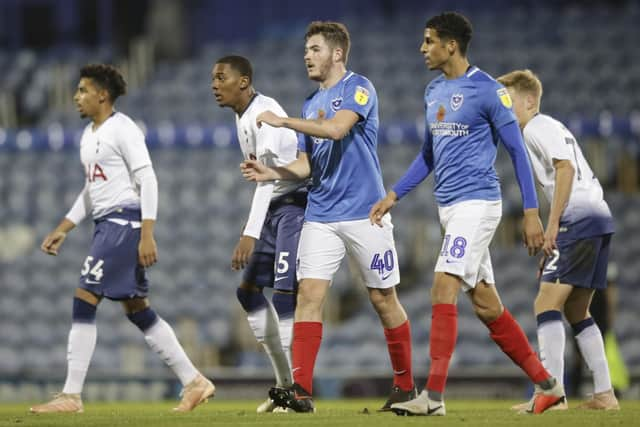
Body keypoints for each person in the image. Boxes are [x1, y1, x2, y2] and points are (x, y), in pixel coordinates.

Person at [368, 12, 565, 416]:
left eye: (429, 41)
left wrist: (531, 212)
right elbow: (428, 156)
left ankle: (434, 399)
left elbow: (516, 153)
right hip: (449, 208)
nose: (423, 49)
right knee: (487, 305)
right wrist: (394, 194)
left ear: (450, 45)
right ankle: (548, 387)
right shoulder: (433, 92)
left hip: (479, 204)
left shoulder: (491, 92)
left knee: (443, 286)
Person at [241, 21, 415, 413]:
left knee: (383, 298)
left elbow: (337, 131)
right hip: (320, 214)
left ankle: (405, 386)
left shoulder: (359, 87)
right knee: (309, 296)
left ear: (337, 53)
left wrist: (283, 122)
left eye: (315, 49)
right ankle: (301, 389)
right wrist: (275, 172)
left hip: (364, 212)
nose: (307, 55)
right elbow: (307, 164)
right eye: (306, 49)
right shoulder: (308, 102)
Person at [30, 64, 214, 414]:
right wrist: (63, 228)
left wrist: (148, 233)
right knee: (137, 310)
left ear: (102, 94)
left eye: (83, 90)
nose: (75, 96)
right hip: (106, 223)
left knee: (84, 297)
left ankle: (71, 394)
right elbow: (91, 190)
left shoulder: (123, 129)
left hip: (124, 222)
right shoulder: (88, 135)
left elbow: (148, 179)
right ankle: (194, 381)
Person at [497, 69, 620, 410]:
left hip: (578, 218)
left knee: (544, 305)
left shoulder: (537, 127)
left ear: (530, 101)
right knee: (578, 309)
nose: (502, 107)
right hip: (598, 216)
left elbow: (565, 169)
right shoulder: (549, 127)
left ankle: (552, 393)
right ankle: (605, 394)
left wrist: (553, 226)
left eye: (507, 100)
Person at [211, 55, 306, 413]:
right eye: (213, 79)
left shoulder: (266, 113)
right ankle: (283, 387)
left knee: (284, 293)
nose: (214, 85)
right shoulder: (242, 116)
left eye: (221, 77)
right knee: (248, 292)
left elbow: (270, 179)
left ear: (244, 82)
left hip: (295, 205)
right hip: (274, 211)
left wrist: (250, 233)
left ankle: (295, 392)